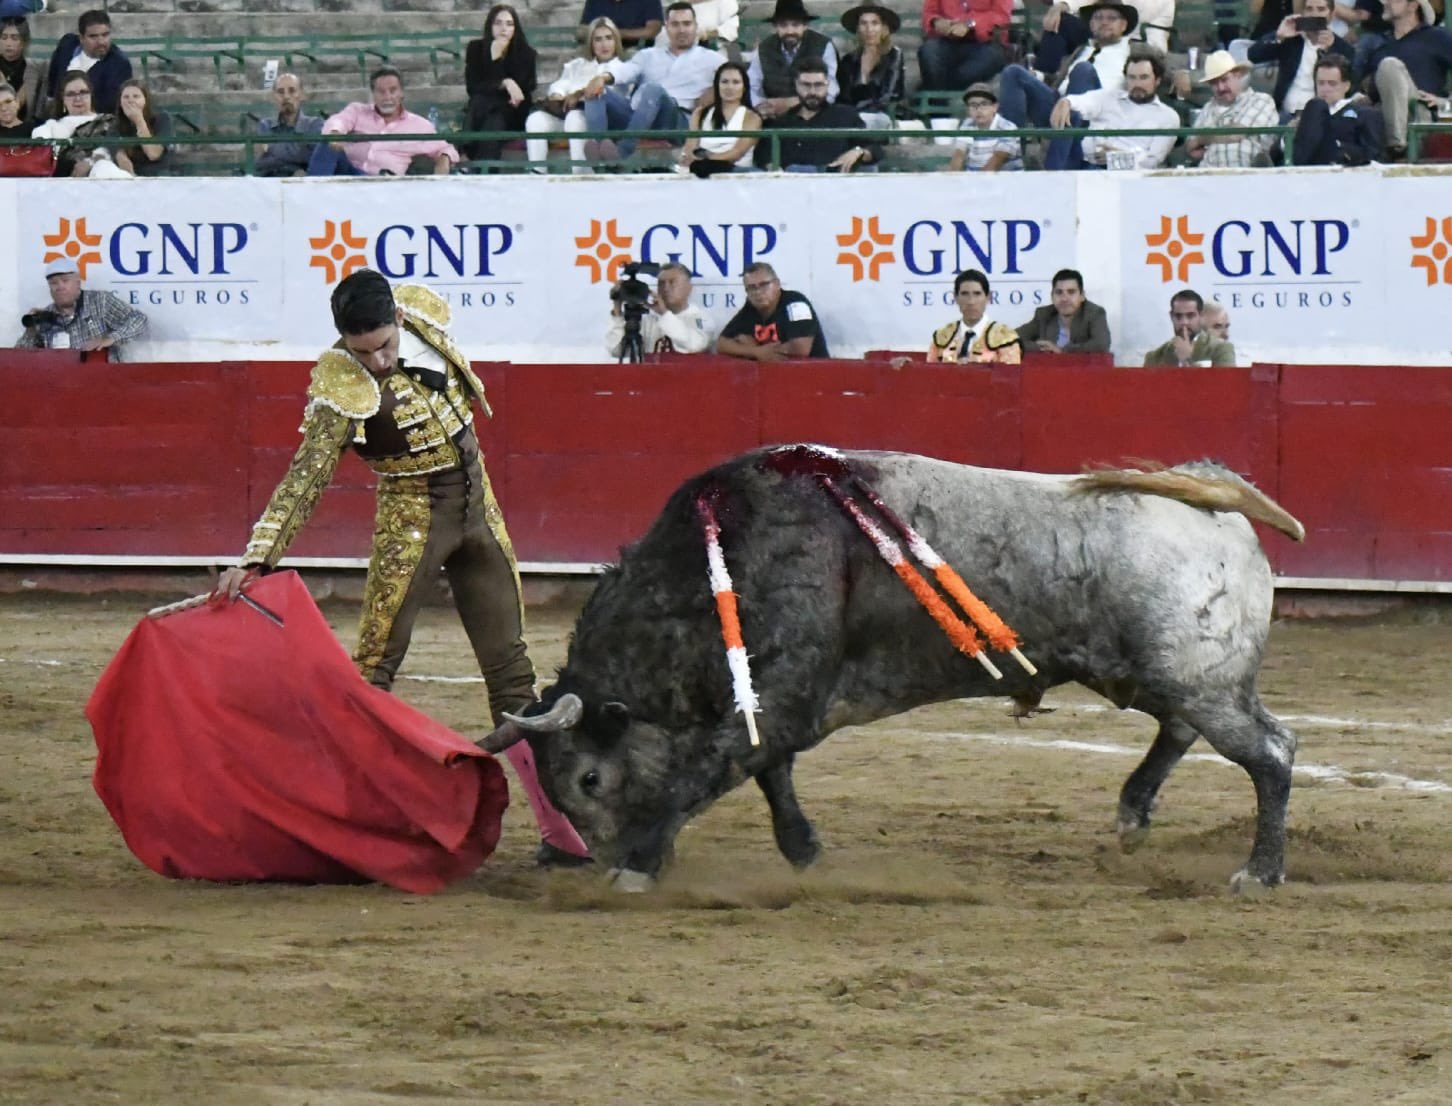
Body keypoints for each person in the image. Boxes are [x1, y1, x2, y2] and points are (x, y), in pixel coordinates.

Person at [213, 270, 590, 868]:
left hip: (478, 507)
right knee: (373, 673)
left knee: (513, 676)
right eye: (364, 352)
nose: (380, 362)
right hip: (412, 519)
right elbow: (305, 477)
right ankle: (345, 828)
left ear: (397, 318)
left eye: (385, 344)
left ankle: (560, 836)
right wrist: (258, 556)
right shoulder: (339, 385)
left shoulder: (424, 318)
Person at [582, 2, 724, 159]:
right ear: (666, 27)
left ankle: (622, 152)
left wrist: (716, 91)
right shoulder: (647, 55)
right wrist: (603, 77)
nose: (681, 30)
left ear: (696, 26)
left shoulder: (713, 59)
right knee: (597, 91)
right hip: (638, 115)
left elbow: (737, 80)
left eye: (687, 24)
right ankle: (598, 148)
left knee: (653, 89)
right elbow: (627, 70)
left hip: (676, 121)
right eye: (675, 24)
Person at [997, 1, 1135, 131]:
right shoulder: (1082, 50)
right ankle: (1012, 148)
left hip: (1096, 113)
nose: (1104, 22)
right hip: (1057, 106)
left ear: (1123, 25)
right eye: (1098, 18)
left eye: (1112, 18)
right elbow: (1061, 81)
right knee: (1013, 72)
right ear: (1091, 24)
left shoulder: (1133, 51)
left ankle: (1061, 147)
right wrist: (1038, 76)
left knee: (1083, 70)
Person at [310, 66, 459, 176]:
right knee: (327, 142)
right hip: (350, 173)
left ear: (401, 93)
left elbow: (446, 148)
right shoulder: (357, 110)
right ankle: (312, 195)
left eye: (393, 90)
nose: (387, 97)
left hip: (384, 183)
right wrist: (336, 132)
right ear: (373, 94)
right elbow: (338, 121)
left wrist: (444, 158)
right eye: (381, 92)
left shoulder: (419, 125)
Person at [1044, 52, 1181, 170]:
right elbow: (1084, 101)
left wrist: (1116, 157)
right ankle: (1052, 178)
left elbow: (1152, 163)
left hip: (1122, 174)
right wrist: (1066, 102)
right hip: (1082, 160)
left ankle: (1053, 181)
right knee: (1071, 112)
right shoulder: (1110, 97)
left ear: (1157, 80)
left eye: (1144, 77)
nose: (1137, 84)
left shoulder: (1168, 117)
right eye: (1132, 77)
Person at [526, 17, 621, 172]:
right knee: (535, 120)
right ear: (591, 43)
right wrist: (557, 94)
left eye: (608, 38)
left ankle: (581, 173)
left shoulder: (621, 68)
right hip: (565, 114)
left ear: (616, 40)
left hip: (597, 122)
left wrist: (579, 95)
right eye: (598, 39)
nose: (604, 45)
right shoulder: (577, 65)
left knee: (575, 118)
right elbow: (561, 84)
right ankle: (537, 173)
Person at [754, 56, 882, 170]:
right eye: (806, 85)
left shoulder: (846, 116)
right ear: (796, 85)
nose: (812, 92)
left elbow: (875, 150)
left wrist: (858, 152)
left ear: (828, 85)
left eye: (818, 85)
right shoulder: (782, 122)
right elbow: (763, 157)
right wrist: (773, 168)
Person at [1365, 0, 1452, 159]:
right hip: (1383, 117)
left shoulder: (1437, 37)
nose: (1386, 3)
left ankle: (1398, 146)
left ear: (1413, 5)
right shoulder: (1380, 47)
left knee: (1389, 65)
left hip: (1420, 116)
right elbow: (1372, 95)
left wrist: (1444, 102)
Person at [16, 256, 147, 357]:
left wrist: (110, 339)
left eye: (65, 280)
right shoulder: (45, 316)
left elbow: (140, 320)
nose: (60, 287)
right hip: (62, 384)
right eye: (54, 283)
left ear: (78, 283)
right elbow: (19, 360)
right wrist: (31, 330)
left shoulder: (99, 301)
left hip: (105, 380)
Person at [1246, 0, 1354, 119]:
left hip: (1323, 117)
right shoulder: (1291, 40)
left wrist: (1331, 49)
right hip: (1285, 114)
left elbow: (1351, 85)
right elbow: (1253, 55)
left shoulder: (1342, 48)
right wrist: (1278, 36)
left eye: (1321, 9)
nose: (1314, 14)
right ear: (1302, 12)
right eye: (1309, 9)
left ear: (1331, 14)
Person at [464, 4, 537, 162]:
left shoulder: (526, 54)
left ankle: (465, 148)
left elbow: (521, 93)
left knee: (482, 102)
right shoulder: (476, 49)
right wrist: (506, 83)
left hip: (513, 112)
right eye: (498, 23)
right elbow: (473, 86)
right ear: (490, 26)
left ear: (515, 28)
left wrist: (496, 59)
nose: (503, 28)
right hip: (488, 112)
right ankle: (488, 172)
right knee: (493, 119)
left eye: (509, 24)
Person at [716, 262, 829, 359]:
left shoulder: (796, 303)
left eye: (764, 285)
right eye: (752, 288)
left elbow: (801, 348)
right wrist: (755, 351)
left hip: (814, 374)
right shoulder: (751, 308)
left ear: (777, 284)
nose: (758, 292)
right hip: (779, 377)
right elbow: (722, 343)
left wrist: (757, 349)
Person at [1185, 50, 1279, 167]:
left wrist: (1203, 139)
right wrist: (1203, 140)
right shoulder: (1208, 107)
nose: (1220, 87)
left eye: (1224, 80)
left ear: (1238, 76)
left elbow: (1237, 132)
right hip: (1208, 177)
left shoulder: (1261, 100)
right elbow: (1190, 148)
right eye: (1214, 83)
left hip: (1248, 175)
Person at [747, 0, 839, 120]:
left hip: (816, 114)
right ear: (775, 27)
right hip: (774, 117)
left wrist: (796, 103)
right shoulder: (764, 48)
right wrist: (762, 105)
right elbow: (752, 85)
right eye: (783, 25)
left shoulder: (823, 45)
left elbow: (832, 88)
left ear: (805, 25)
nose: (790, 31)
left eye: (795, 25)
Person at [1292, 54, 1386, 163]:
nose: (1325, 89)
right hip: (1307, 162)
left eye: (1332, 84)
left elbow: (1374, 156)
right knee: (1316, 106)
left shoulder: (1366, 114)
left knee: (1317, 106)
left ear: (1346, 86)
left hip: (1340, 167)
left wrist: (1338, 146)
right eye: (1321, 83)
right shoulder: (1306, 115)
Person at [605, 261, 712, 355]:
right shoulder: (648, 320)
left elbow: (695, 345)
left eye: (672, 282)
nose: (666, 288)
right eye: (661, 283)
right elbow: (616, 350)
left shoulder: (702, 318)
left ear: (689, 288)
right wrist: (617, 311)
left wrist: (664, 314)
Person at [678, 59, 761, 175]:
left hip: (736, 172)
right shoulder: (700, 113)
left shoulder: (752, 117)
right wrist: (695, 159)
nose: (729, 87)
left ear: (744, 87)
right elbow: (690, 147)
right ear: (717, 85)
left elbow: (737, 153)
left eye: (736, 82)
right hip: (700, 171)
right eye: (724, 82)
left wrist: (707, 159)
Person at [31, 70, 118, 178]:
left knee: (103, 167)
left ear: (91, 94)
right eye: (71, 94)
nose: (78, 98)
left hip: (101, 178)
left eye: (83, 92)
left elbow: (113, 151)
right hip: (63, 182)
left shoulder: (108, 121)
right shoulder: (51, 126)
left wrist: (90, 162)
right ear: (63, 99)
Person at [43, 9, 131, 116]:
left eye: (105, 35)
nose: (101, 42)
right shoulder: (67, 44)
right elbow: (53, 78)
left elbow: (108, 106)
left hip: (92, 123)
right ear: (81, 38)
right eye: (93, 36)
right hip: (56, 117)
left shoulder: (119, 64)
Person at [837, 2, 907, 130]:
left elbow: (890, 95)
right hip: (853, 117)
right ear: (858, 28)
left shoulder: (894, 55)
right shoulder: (848, 60)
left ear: (883, 28)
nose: (869, 29)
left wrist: (861, 109)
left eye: (875, 23)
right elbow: (844, 98)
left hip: (884, 114)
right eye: (864, 23)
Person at [927, 268, 1021, 363]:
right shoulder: (942, 336)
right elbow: (929, 375)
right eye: (964, 294)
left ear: (988, 297)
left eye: (977, 294)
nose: (971, 301)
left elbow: (1010, 376)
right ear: (955, 298)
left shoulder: (1005, 338)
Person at [917, 0, 1012, 92]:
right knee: (929, 52)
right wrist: (936, 21)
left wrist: (970, 24)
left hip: (986, 44)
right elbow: (929, 13)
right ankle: (938, 102)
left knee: (979, 66)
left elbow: (1001, 16)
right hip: (947, 41)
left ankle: (937, 91)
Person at [1015, 269, 1111, 353]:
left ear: (1082, 296)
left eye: (1071, 292)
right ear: (1052, 296)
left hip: (1084, 372)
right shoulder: (1044, 315)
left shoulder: (1094, 313)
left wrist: (1061, 351)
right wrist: (1042, 347)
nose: (1064, 298)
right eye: (1059, 292)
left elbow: (1101, 345)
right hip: (1049, 371)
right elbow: (1010, 340)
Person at [252, 71, 324, 177]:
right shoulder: (265, 125)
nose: (286, 96)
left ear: (302, 94)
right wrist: (299, 154)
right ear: (274, 96)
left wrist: (271, 150)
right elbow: (261, 164)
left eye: (292, 90)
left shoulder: (314, 124)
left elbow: (313, 159)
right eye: (280, 92)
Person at [1142, 288, 1237, 366]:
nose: (1184, 322)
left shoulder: (1222, 349)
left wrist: (1186, 360)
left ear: (1201, 316)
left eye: (1190, 316)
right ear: (1171, 317)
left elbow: (1225, 387)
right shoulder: (1155, 357)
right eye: (1178, 316)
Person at [946, 82, 1022, 170]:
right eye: (973, 105)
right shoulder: (967, 125)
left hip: (1004, 181)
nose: (978, 110)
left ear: (995, 107)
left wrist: (977, 183)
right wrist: (952, 179)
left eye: (984, 104)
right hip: (974, 180)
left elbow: (996, 161)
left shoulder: (1008, 128)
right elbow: (958, 155)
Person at [112, 78, 171, 176]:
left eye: (136, 96)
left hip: (158, 176)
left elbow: (153, 154)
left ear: (145, 100)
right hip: (130, 178)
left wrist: (139, 121)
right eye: (126, 97)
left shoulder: (162, 119)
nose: (131, 101)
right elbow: (121, 158)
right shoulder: (115, 124)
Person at [0, 17, 41, 124]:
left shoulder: (33, 70)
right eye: (4, 38)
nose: (8, 43)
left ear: (24, 42)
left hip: (25, 126)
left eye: (14, 38)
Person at [579, 0, 663, 47]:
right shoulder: (594, 2)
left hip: (634, 49)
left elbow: (652, 30)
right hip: (598, 49)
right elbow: (581, 32)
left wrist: (614, 33)